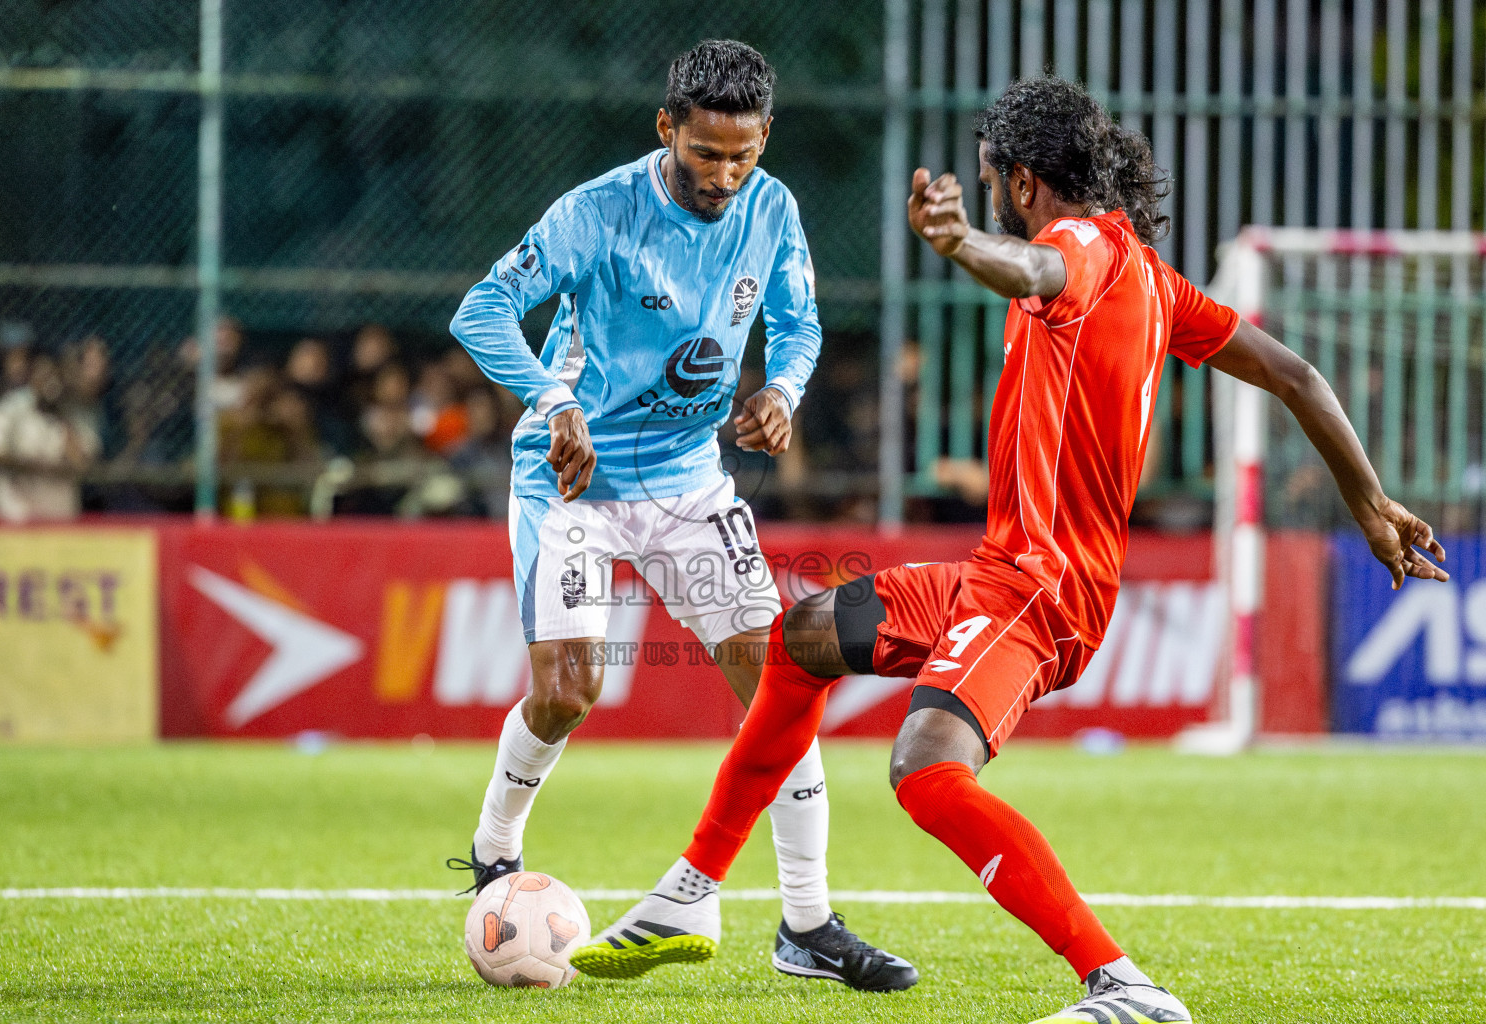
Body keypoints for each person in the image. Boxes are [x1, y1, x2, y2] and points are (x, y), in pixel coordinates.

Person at [574, 77, 1448, 1023]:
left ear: (1025, 184)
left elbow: (1033, 272)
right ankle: (692, 895)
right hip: (998, 571)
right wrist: (1372, 504)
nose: (990, 191)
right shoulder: (1153, 277)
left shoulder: (1071, 247)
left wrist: (957, 244)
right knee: (802, 640)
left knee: (927, 771)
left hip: (1038, 589)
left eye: (994, 178)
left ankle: (1122, 985)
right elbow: (1297, 374)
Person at [447, 39, 915, 991]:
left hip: (688, 481)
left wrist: (784, 388)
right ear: (668, 128)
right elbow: (483, 309)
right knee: (570, 689)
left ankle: (807, 922)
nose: (725, 175)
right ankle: (497, 846)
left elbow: (800, 322)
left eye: (743, 155)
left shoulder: (772, 207)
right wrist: (553, 401)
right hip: (571, 483)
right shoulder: (596, 212)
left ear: (765, 139)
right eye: (707, 155)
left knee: (782, 683)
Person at [0, 348, 99, 523]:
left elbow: (82, 464)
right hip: (15, 518)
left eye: (55, 375)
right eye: (44, 375)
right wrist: (32, 466)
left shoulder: (74, 412)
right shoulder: (11, 408)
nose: (50, 382)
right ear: (31, 378)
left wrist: (61, 417)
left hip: (59, 520)